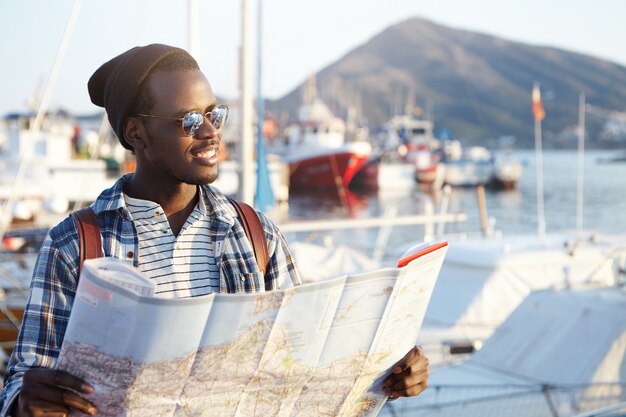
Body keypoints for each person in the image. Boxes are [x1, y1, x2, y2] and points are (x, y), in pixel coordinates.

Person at [0, 44, 429, 417]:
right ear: (137, 133)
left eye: (213, 114)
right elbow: (21, 382)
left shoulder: (256, 234)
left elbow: (301, 370)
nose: (210, 133)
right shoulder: (74, 244)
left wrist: (386, 375)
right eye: (188, 121)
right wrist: (24, 402)